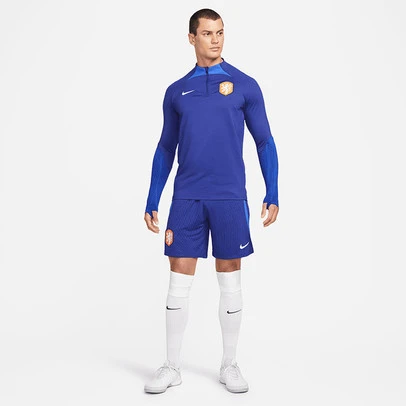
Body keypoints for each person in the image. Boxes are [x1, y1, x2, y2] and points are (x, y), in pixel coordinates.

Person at [143, 8, 279, 394]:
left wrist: (272, 190)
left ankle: (229, 364)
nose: (215, 39)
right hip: (187, 197)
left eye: (220, 32)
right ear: (192, 38)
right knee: (178, 281)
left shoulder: (245, 85)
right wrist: (152, 197)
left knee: (230, 277)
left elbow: (264, 140)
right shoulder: (176, 91)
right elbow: (165, 147)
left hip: (229, 197)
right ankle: (171, 366)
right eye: (207, 33)